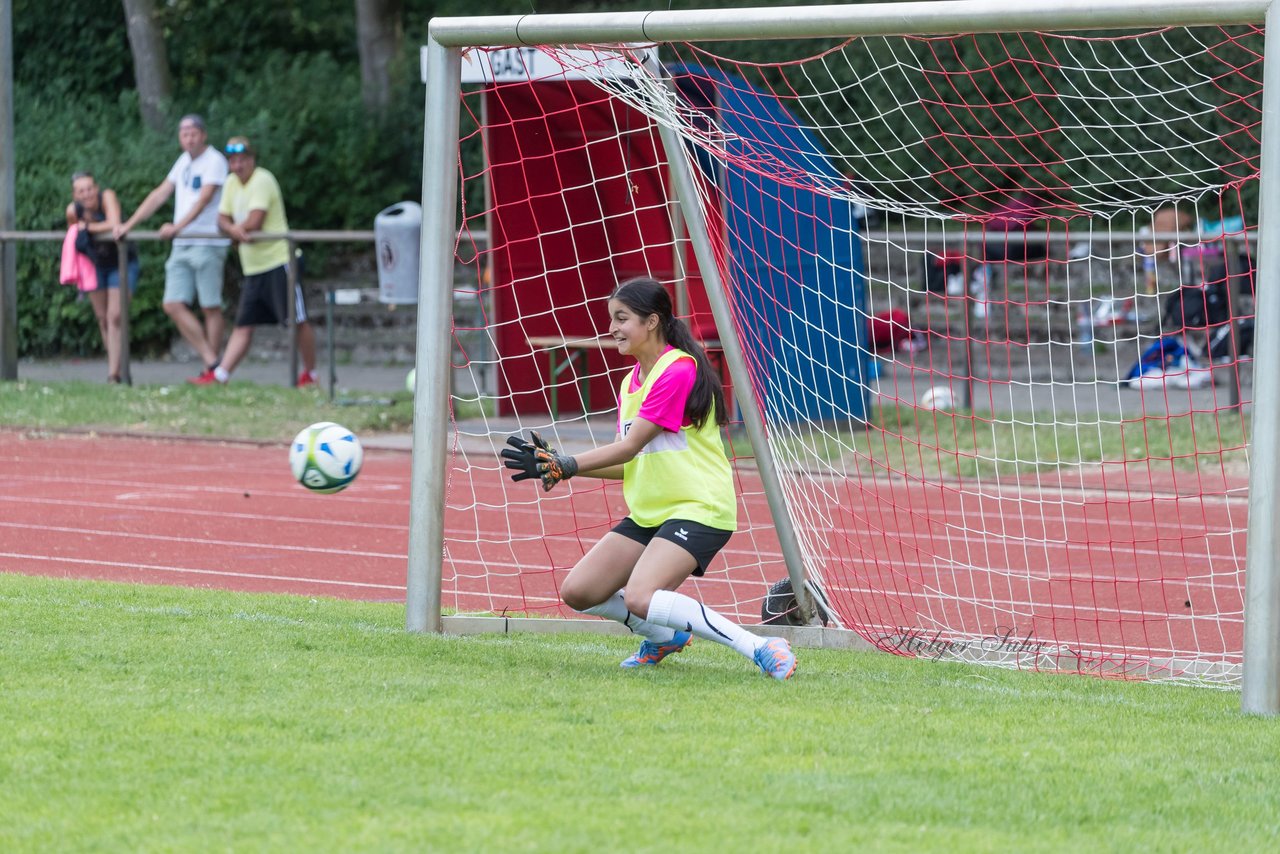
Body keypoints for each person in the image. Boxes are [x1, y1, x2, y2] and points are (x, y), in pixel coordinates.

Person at [500, 276, 797, 680]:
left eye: (622, 318)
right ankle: (663, 638)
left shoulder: (677, 370)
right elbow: (630, 461)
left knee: (641, 596)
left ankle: (762, 647)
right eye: (611, 319)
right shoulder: (631, 382)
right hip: (652, 513)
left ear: (652, 321)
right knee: (580, 591)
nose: (612, 328)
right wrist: (561, 466)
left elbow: (626, 447)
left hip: (698, 508)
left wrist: (567, 464)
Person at [190, 136, 319, 386]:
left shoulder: (263, 179)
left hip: (279, 262)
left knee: (296, 321)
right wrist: (234, 230)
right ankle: (221, 375)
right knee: (243, 324)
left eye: (242, 160)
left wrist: (234, 230)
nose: (237, 166)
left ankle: (311, 374)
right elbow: (222, 219)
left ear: (252, 160)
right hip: (254, 267)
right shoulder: (230, 183)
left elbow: (255, 221)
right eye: (233, 161)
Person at [114, 114, 229, 381]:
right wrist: (128, 224)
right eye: (184, 133)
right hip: (183, 244)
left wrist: (177, 227)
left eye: (193, 133)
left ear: (203, 135)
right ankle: (213, 364)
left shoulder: (214, 161)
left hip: (207, 241)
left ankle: (213, 373)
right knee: (172, 303)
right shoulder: (183, 162)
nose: (188, 138)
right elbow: (159, 194)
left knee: (210, 306)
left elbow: (204, 200)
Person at [65, 171, 140, 383]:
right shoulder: (73, 211)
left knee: (115, 315)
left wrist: (88, 228)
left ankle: (115, 373)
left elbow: (114, 223)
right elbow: (73, 235)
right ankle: (115, 368)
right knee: (103, 319)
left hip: (122, 261)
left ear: (96, 188)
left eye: (89, 188)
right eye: (81, 191)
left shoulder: (107, 196)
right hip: (95, 265)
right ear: (75, 195)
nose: (87, 194)